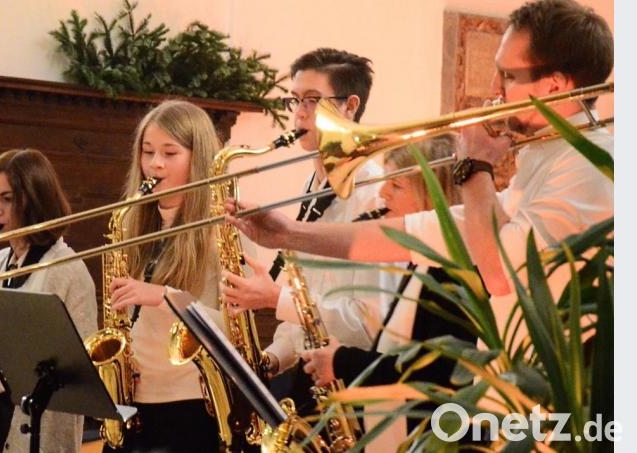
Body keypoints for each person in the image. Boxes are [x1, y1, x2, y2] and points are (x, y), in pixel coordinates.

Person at [226, 0, 614, 348]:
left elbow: (497, 272)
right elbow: (430, 233)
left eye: (508, 76)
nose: (493, 88)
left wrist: (475, 165)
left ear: (556, 85)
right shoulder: (548, 154)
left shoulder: (588, 163)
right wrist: (286, 234)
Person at [219, 48, 387, 415]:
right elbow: (308, 293)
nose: (298, 113)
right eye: (294, 100)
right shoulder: (314, 184)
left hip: (354, 390)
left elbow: (366, 324)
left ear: (350, 106)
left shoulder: (376, 196)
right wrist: (271, 359)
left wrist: (275, 298)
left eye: (311, 101)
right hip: (310, 381)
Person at [301, 136, 477, 449]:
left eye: (396, 185)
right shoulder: (424, 260)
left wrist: (342, 362)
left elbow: (433, 373)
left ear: (433, 192)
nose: (382, 194)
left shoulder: (454, 267)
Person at [0, 148, 98, 453]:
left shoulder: (67, 268)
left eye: (7, 199)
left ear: (36, 199)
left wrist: (2, 348)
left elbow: (84, 363)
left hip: (43, 423)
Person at [106, 100, 223, 453]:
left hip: (191, 406)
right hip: (134, 400)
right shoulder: (133, 223)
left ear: (198, 158)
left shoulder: (222, 232)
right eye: (148, 152)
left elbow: (230, 330)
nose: (154, 164)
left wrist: (162, 296)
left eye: (169, 153)